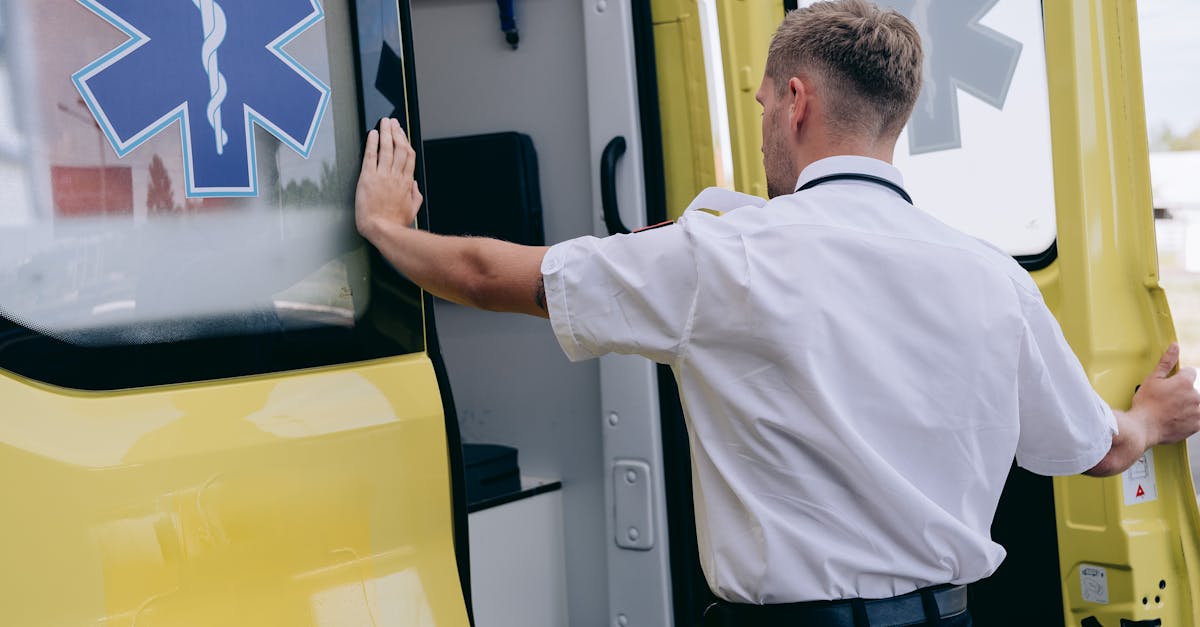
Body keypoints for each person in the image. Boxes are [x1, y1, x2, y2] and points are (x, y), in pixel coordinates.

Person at [353, 1, 1200, 625]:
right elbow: (1095, 448)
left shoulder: (728, 255)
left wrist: (387, 228)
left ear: (795, 101)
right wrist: (1152, 419)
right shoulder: (993, 279)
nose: (764, 124)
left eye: (762, 106)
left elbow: (487, 272)